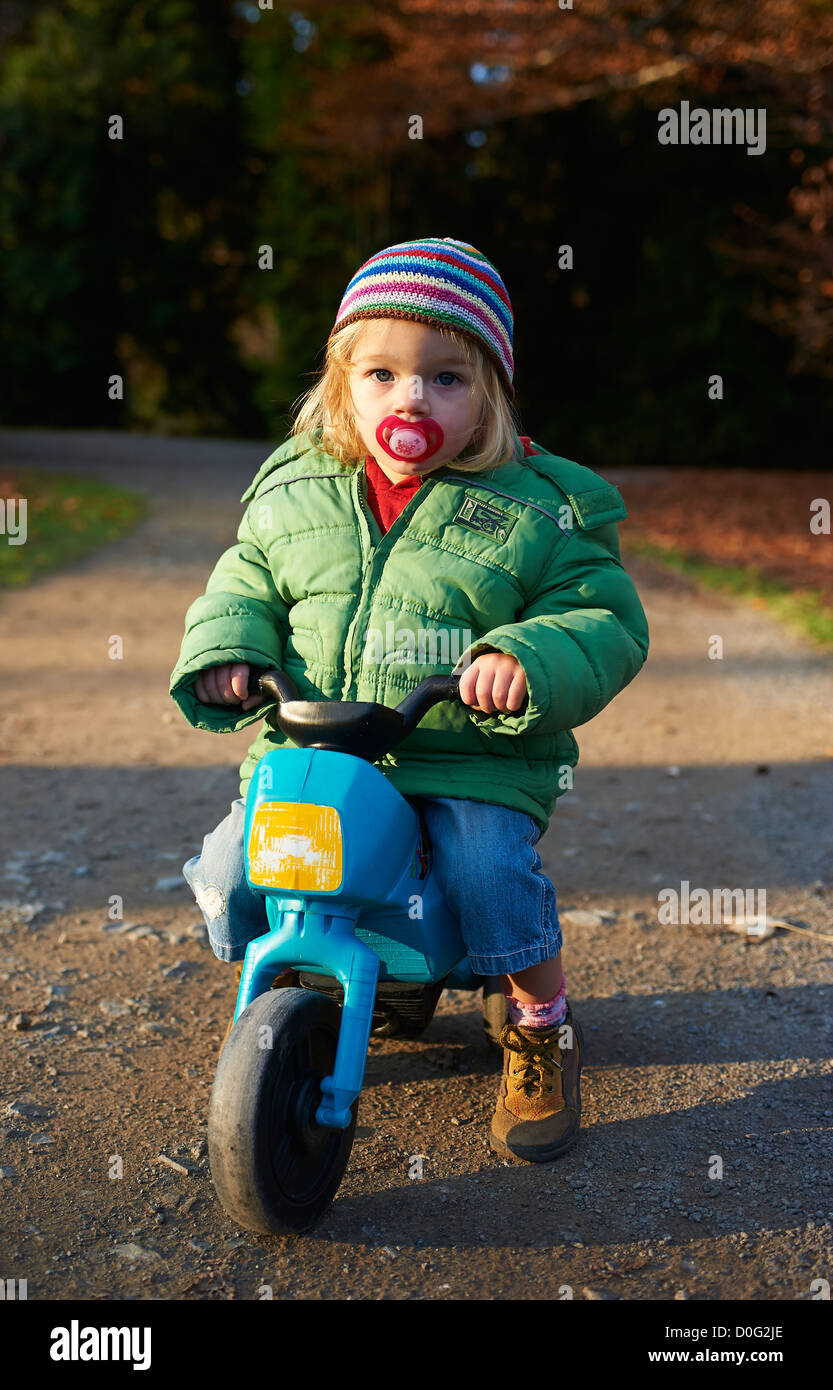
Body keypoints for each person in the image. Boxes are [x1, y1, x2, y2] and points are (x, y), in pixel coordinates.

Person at [169, 236, 649, 1164]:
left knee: (486, 874)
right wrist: (230, 651)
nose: (411, 399)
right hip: (319, 748)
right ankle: (310, 986)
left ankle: (538, 1023)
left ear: (493, 395)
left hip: (461, 752)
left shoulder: (537, 508)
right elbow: (246, 583)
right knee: (236, 868)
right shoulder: (297, 488)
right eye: (382, 373)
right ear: (342, 382)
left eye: (446, 378)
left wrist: (522, 655)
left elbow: (599, 615)